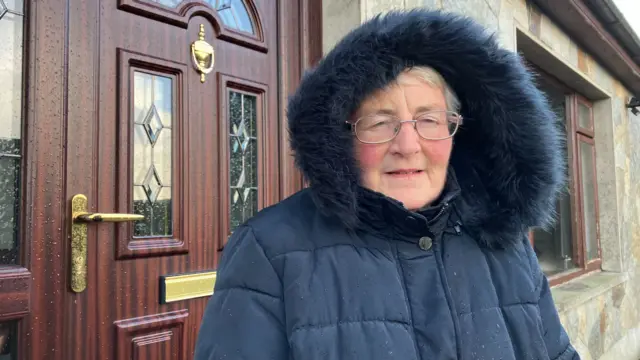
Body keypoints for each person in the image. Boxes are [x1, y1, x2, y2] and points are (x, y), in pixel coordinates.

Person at [194, 9, 580, 360]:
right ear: (343, 138)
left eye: (428, 120)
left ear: (456, 131)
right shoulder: (269, 250)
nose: (408, 146)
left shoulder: (506, 243)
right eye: (379, 123)